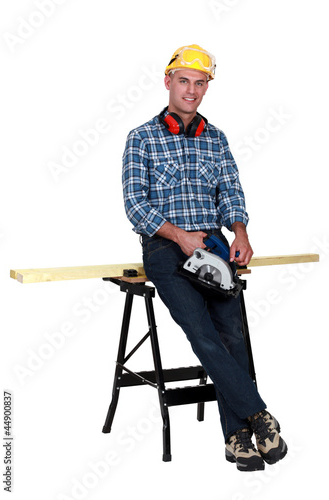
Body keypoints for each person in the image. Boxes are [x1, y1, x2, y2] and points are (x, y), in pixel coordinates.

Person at [122, 44, 287, 472]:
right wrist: (178, 236)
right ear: (168, 82)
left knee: (234, 338)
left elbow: (231, 191)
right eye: (184, 81)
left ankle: (236, 439)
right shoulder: (141, 138)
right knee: (204, 336)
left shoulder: (216, 138)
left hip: (213, 248)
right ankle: (258, 416)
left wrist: (240, 232)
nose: (192, 90)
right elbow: (135, 205)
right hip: (164, 249)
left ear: (206, 87)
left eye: (200, 83)